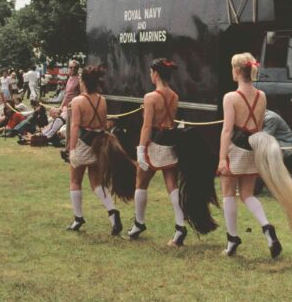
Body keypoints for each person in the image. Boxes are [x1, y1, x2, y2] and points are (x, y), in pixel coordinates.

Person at [217, 52, 292, 257]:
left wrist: (221, 158)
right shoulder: (262, 96)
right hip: (254, 148)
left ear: (236, 71)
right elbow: (259, 125)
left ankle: (232, 239)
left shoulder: (231, 97)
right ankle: (267, 227)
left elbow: (227, 130)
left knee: (228, 194)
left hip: (235, 147)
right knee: (247, 194)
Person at [131, 58, 199, 245]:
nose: (150, 76)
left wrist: (140, 149)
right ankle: (180, 226)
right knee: (172, 185)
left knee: (141, 182)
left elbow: (146, 127)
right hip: (170, 141)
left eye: (151, 72)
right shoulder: (174, 96)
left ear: (156, 73)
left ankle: (139, 222)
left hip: (154, 142)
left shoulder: (150, 97)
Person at [63, 65, 136, 234]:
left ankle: (78, 218)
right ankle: (112, 212)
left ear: (83, 82)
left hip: (83, 143)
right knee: (96, 182)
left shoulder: (78, 101)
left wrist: (71, 149)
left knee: (75, 181)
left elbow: (74, 127)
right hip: (98, 144)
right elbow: (103, 124)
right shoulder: (102, 100)